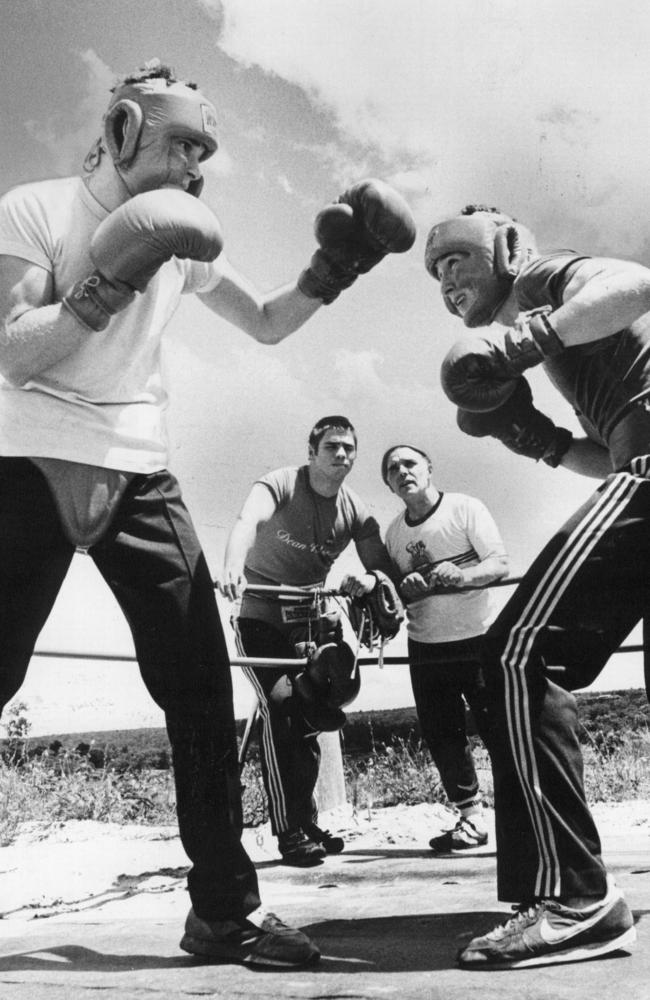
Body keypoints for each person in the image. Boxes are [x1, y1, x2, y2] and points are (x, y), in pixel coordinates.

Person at [0, 59, 416, 968]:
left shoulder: (184, 241)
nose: (198, 167)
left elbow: (267, 322)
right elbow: (15, 352)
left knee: (198, 689)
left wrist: (335, 268)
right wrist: (104, 283)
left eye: (207, 151)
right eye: (183, 143)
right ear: (121, 130)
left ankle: (223, 911)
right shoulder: (33, 209)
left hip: (140, 473)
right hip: (26, 461)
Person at [423, 203, 646, 968]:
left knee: (516, 658)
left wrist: (522, 338)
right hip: (635, 459)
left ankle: (575, 898)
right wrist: (538, 439)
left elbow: (639, 284)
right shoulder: (570, 345)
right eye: (436, 271)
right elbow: (605, 453)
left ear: (509, 247)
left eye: (457, 258)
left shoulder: (550, 279)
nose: (446, 279)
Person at [217, 415, 395, 866]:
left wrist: (370, 579)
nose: (341, 455)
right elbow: (246, 521)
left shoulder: (355, 508)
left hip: (311, 623)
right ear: (312, 451)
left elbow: (382, 569)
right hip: (260, 617)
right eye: (332, 446)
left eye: (348, 448)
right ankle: (288, 830)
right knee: (281, 709)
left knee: (313, 714)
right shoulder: (279, 483)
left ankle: (307, 820)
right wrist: (233, 567)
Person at [381, 443, 508, 851]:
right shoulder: (394, 532)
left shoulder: (465, 508)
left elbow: (500, 564)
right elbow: (398, 595)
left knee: (501, 729)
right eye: (392, 468)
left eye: (409, 462)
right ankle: (470, 820)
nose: (402, 471)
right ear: (388, 483)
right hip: (426, 645)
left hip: (479, 637)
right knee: (443, 735)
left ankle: (524, 816)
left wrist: (463, 575)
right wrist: (407, 587)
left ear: (430, 468)